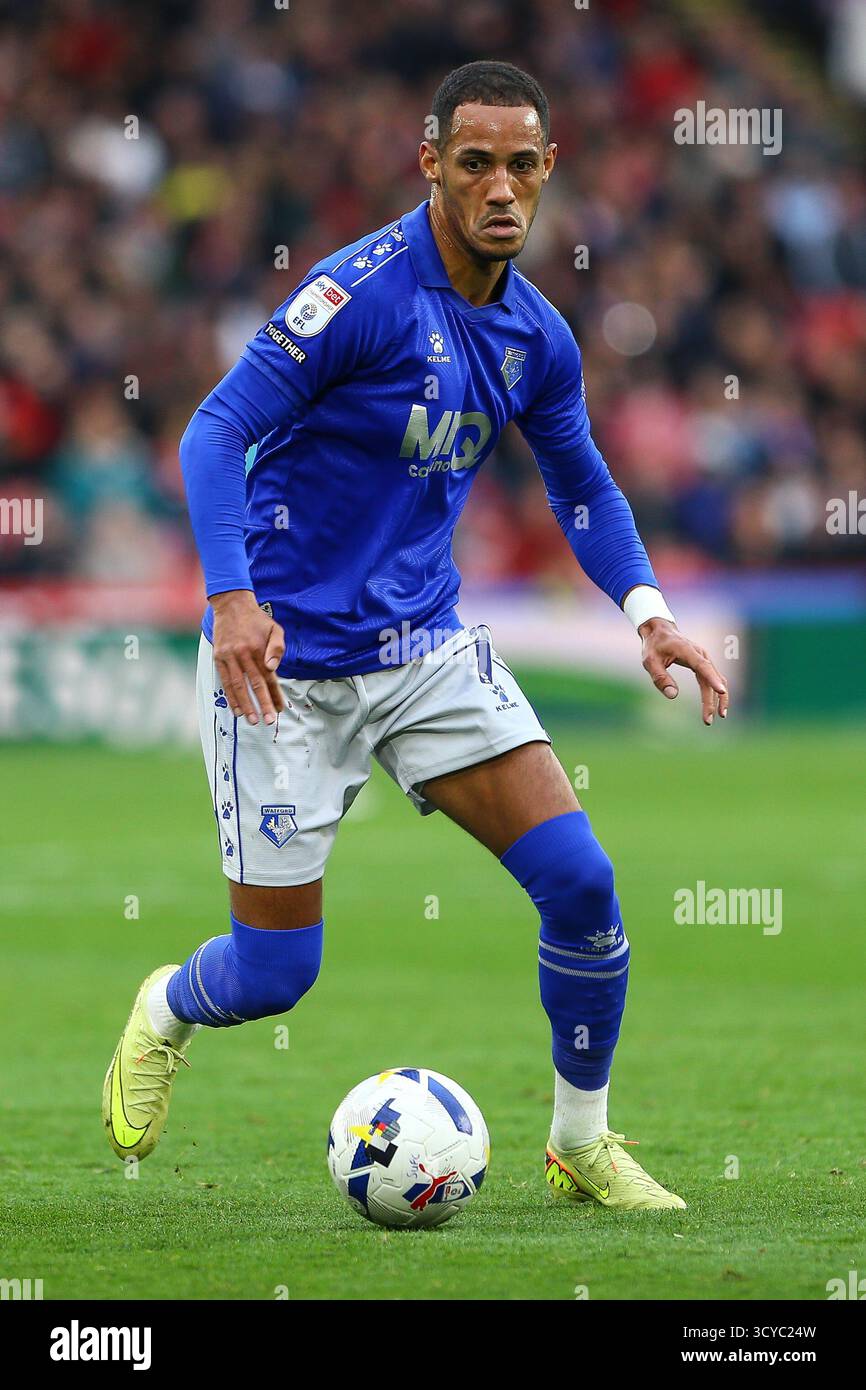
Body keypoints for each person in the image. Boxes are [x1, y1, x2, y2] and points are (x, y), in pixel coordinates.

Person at [103, 61, 728, 1210]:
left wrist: (649, 614)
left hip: (421, 651)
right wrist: (231, 597)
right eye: (475, 161)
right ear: (428, 162)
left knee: (582, 884)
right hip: (280, 668)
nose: (500, 186)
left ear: (549, 173)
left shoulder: (536, 337)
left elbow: (579, 484)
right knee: (276, 973)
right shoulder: (357, 294)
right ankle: (166, 1006)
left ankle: (578, 1142)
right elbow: (211, 431)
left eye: (521, 164)